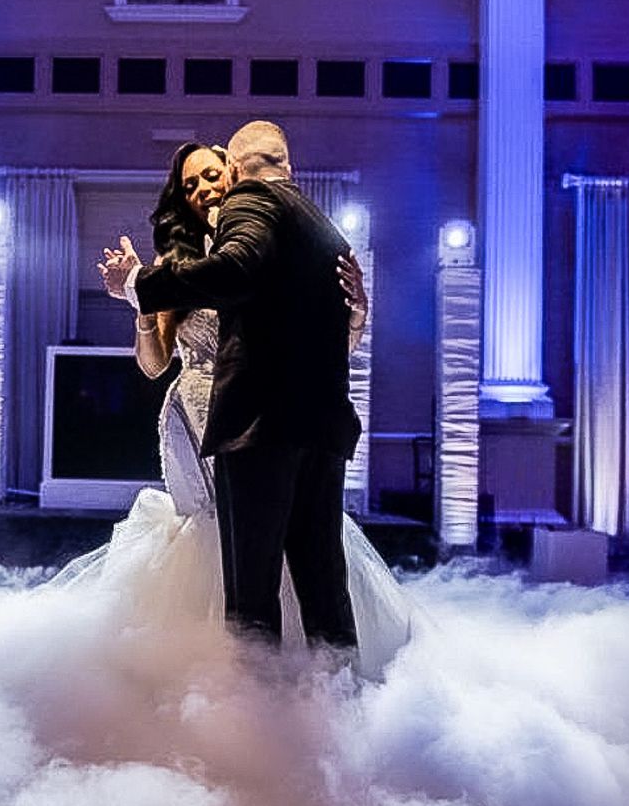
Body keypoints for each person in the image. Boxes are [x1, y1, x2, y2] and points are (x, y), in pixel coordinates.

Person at [95, 123, 410, 674]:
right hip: (236, 422)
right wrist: (142, 299)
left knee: (254, 590)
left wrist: (136, 282)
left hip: (257, 423)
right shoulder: (306, 223)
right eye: (190, 187)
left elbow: (241, 273)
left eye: (213, 174)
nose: (204, 190)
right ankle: (332, 708)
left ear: (234, 168)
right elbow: (154, 362)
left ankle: (256, 722)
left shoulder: (255, 213)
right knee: (312, 580)